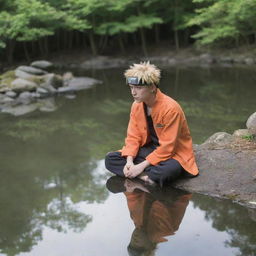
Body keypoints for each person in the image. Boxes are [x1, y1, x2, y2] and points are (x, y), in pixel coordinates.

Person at [105, 61, 199, 186]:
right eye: (131, 87)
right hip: (149, 149)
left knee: (169, 169)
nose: (133, 92)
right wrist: (129, 162)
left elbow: (168, 148)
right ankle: (146, 177)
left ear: (152, 87)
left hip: (173, 153)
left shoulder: (171, 108)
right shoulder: (136, 105)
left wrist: (140, 166)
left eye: (138, 88)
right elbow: (133, 137)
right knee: (110, 159)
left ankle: (142, 174)